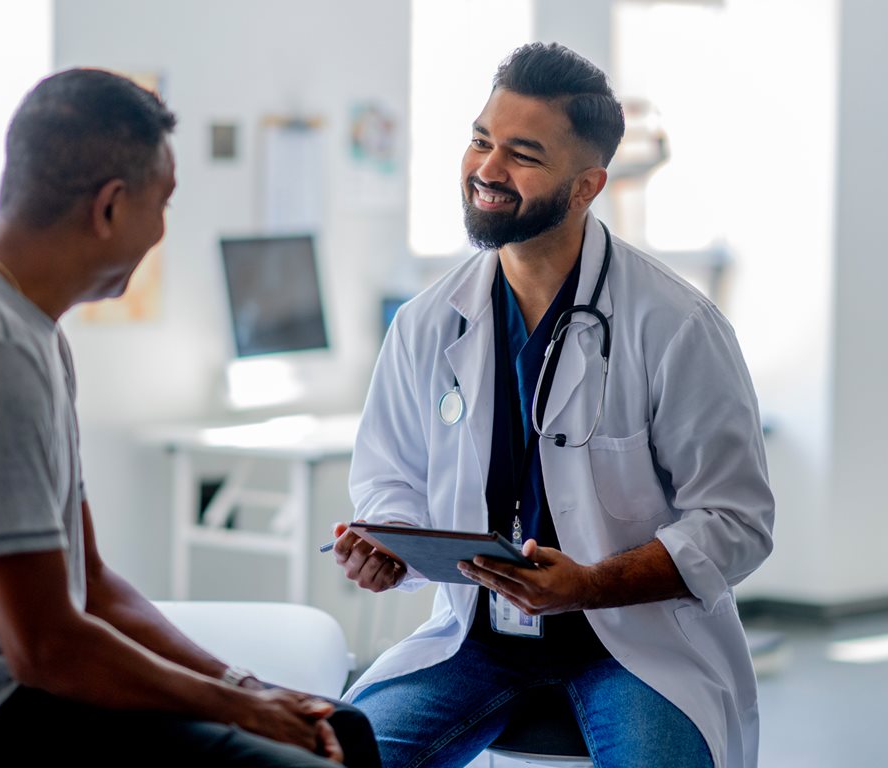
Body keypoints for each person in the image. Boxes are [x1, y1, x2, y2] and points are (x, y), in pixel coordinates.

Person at [0, 68, 379, 768]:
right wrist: (242, 709)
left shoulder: (30, 331)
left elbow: (92, 584)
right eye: (164, 204)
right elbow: (46, 647)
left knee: (347, 729)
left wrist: (246, 684)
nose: (161, 231)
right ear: (111, 207)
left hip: (29, 694)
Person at [330, 42, 774, 768]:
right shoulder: (427, 322)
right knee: (339, 755)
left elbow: (739, 523)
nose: (487, 170)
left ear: (585, 186)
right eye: (481, 140)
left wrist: (591, 586)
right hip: (476, 642)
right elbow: (390, 479)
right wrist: (393, 545)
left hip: (635, 647)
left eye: (523, 155)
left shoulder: (674, 325)